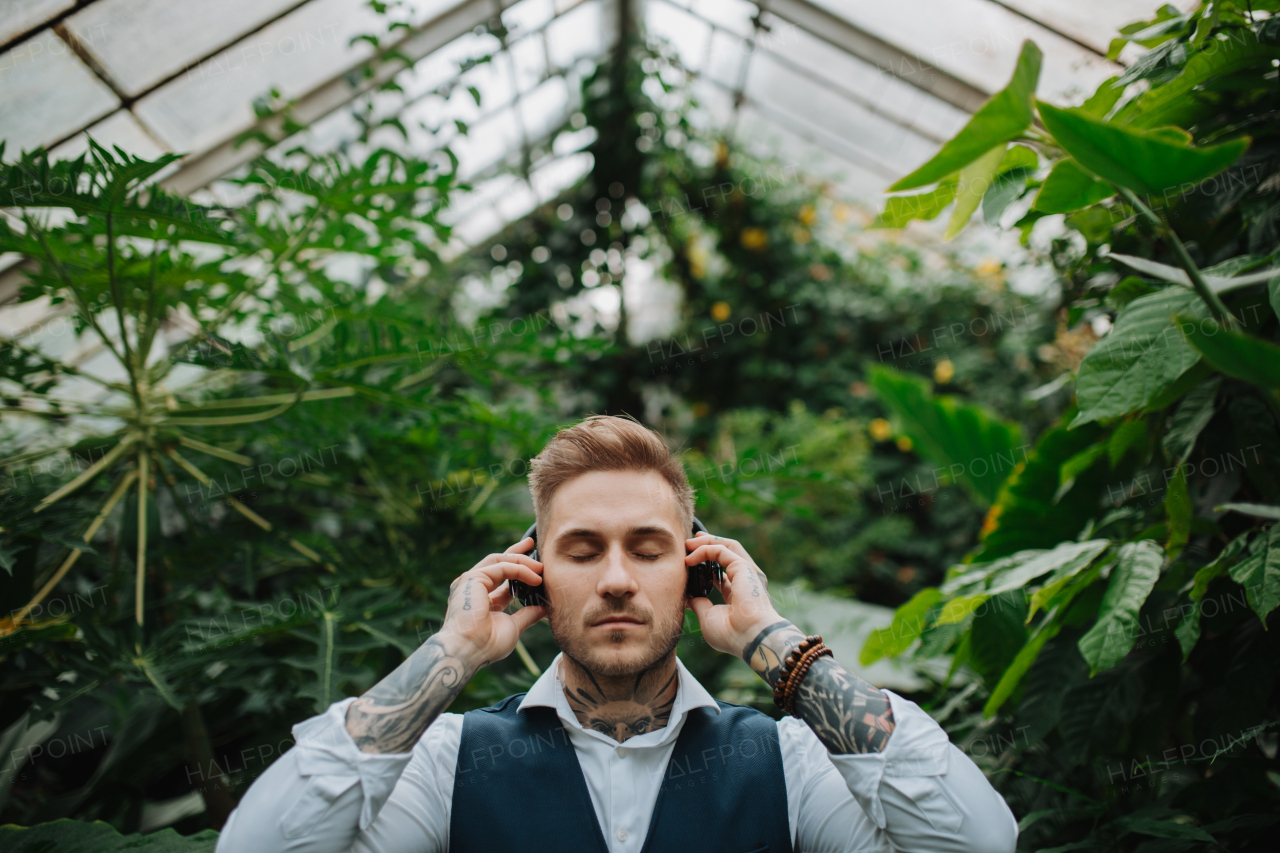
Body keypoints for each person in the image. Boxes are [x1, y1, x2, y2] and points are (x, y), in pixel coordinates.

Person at [216, 415, 1017, 853]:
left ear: (695, 570)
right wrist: (451, 652)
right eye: (581, 548)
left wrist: (770, 636)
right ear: (533, 572)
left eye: (647, 546)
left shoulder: (790, 762)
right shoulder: (449, 762)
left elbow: (977, 841)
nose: (616, 578)